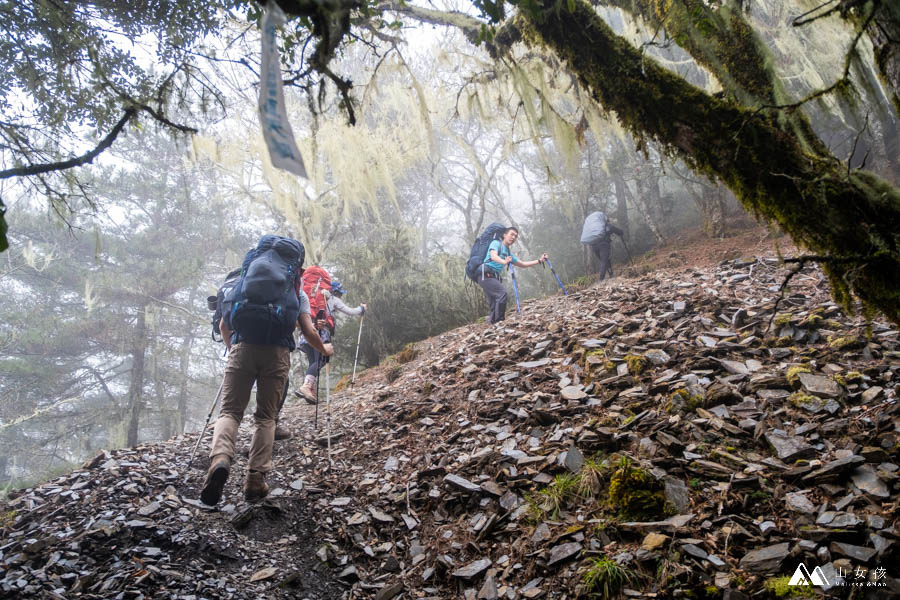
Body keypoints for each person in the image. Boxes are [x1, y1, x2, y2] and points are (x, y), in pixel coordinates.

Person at [201, 275, 333, 506]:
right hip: (276, 353)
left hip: (242, 347)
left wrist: (234, 349)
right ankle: (254, 480)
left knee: (230, 412)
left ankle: (220, 459)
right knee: (266, 417)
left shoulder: (245, 285)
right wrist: (324, 349)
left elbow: (223, 325)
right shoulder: (296, 291)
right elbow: (308, 331)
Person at [295, 278, 366, 403]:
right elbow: (350, 311)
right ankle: (306, 386)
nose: (340, 295)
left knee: (314, 363)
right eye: (339, 293)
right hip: (320, 335)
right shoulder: (332, 299)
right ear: (334, 291)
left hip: (306, 334)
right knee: (321, 361)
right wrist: (361, 309)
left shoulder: (310, 297)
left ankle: (310, 394)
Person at [477, 227, 547, 325]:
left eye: (515, 236)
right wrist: (504, 261)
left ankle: (492, 326)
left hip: (494, 276)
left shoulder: (508, 252)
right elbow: (493, 256)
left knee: (494, 303)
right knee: (502, 293)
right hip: (485, 274)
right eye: (512, 234)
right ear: (505, 235)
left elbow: (522, 264)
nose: (513, 237)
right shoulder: (496, 243)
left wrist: (539, 261)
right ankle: (500, 322)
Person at [584, 211, 624, 281]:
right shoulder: (607, 226)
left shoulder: (595, 230)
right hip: (603, 245)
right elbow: (619, 232)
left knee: (605, 260)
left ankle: (611, 274)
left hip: (594, 246)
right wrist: (621, 232)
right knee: (604, 261)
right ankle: (601, 280)